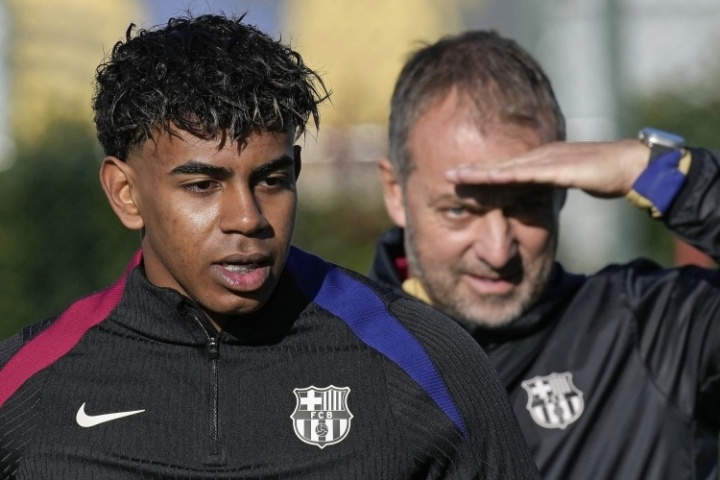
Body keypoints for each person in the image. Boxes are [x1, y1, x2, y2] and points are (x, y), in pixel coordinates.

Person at [0, 16, 541, 479]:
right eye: (203, 185)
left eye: (271, 180)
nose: (248, 218)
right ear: (125, 192)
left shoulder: (427, 360)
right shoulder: (23, 386)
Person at [370, 29, 720, 480]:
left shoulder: (657, 330)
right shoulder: (328, 358)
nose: (498, 250)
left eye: (527, 206)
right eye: (460, 211)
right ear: (395, 191)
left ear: (562, 190)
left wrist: (663, 175)